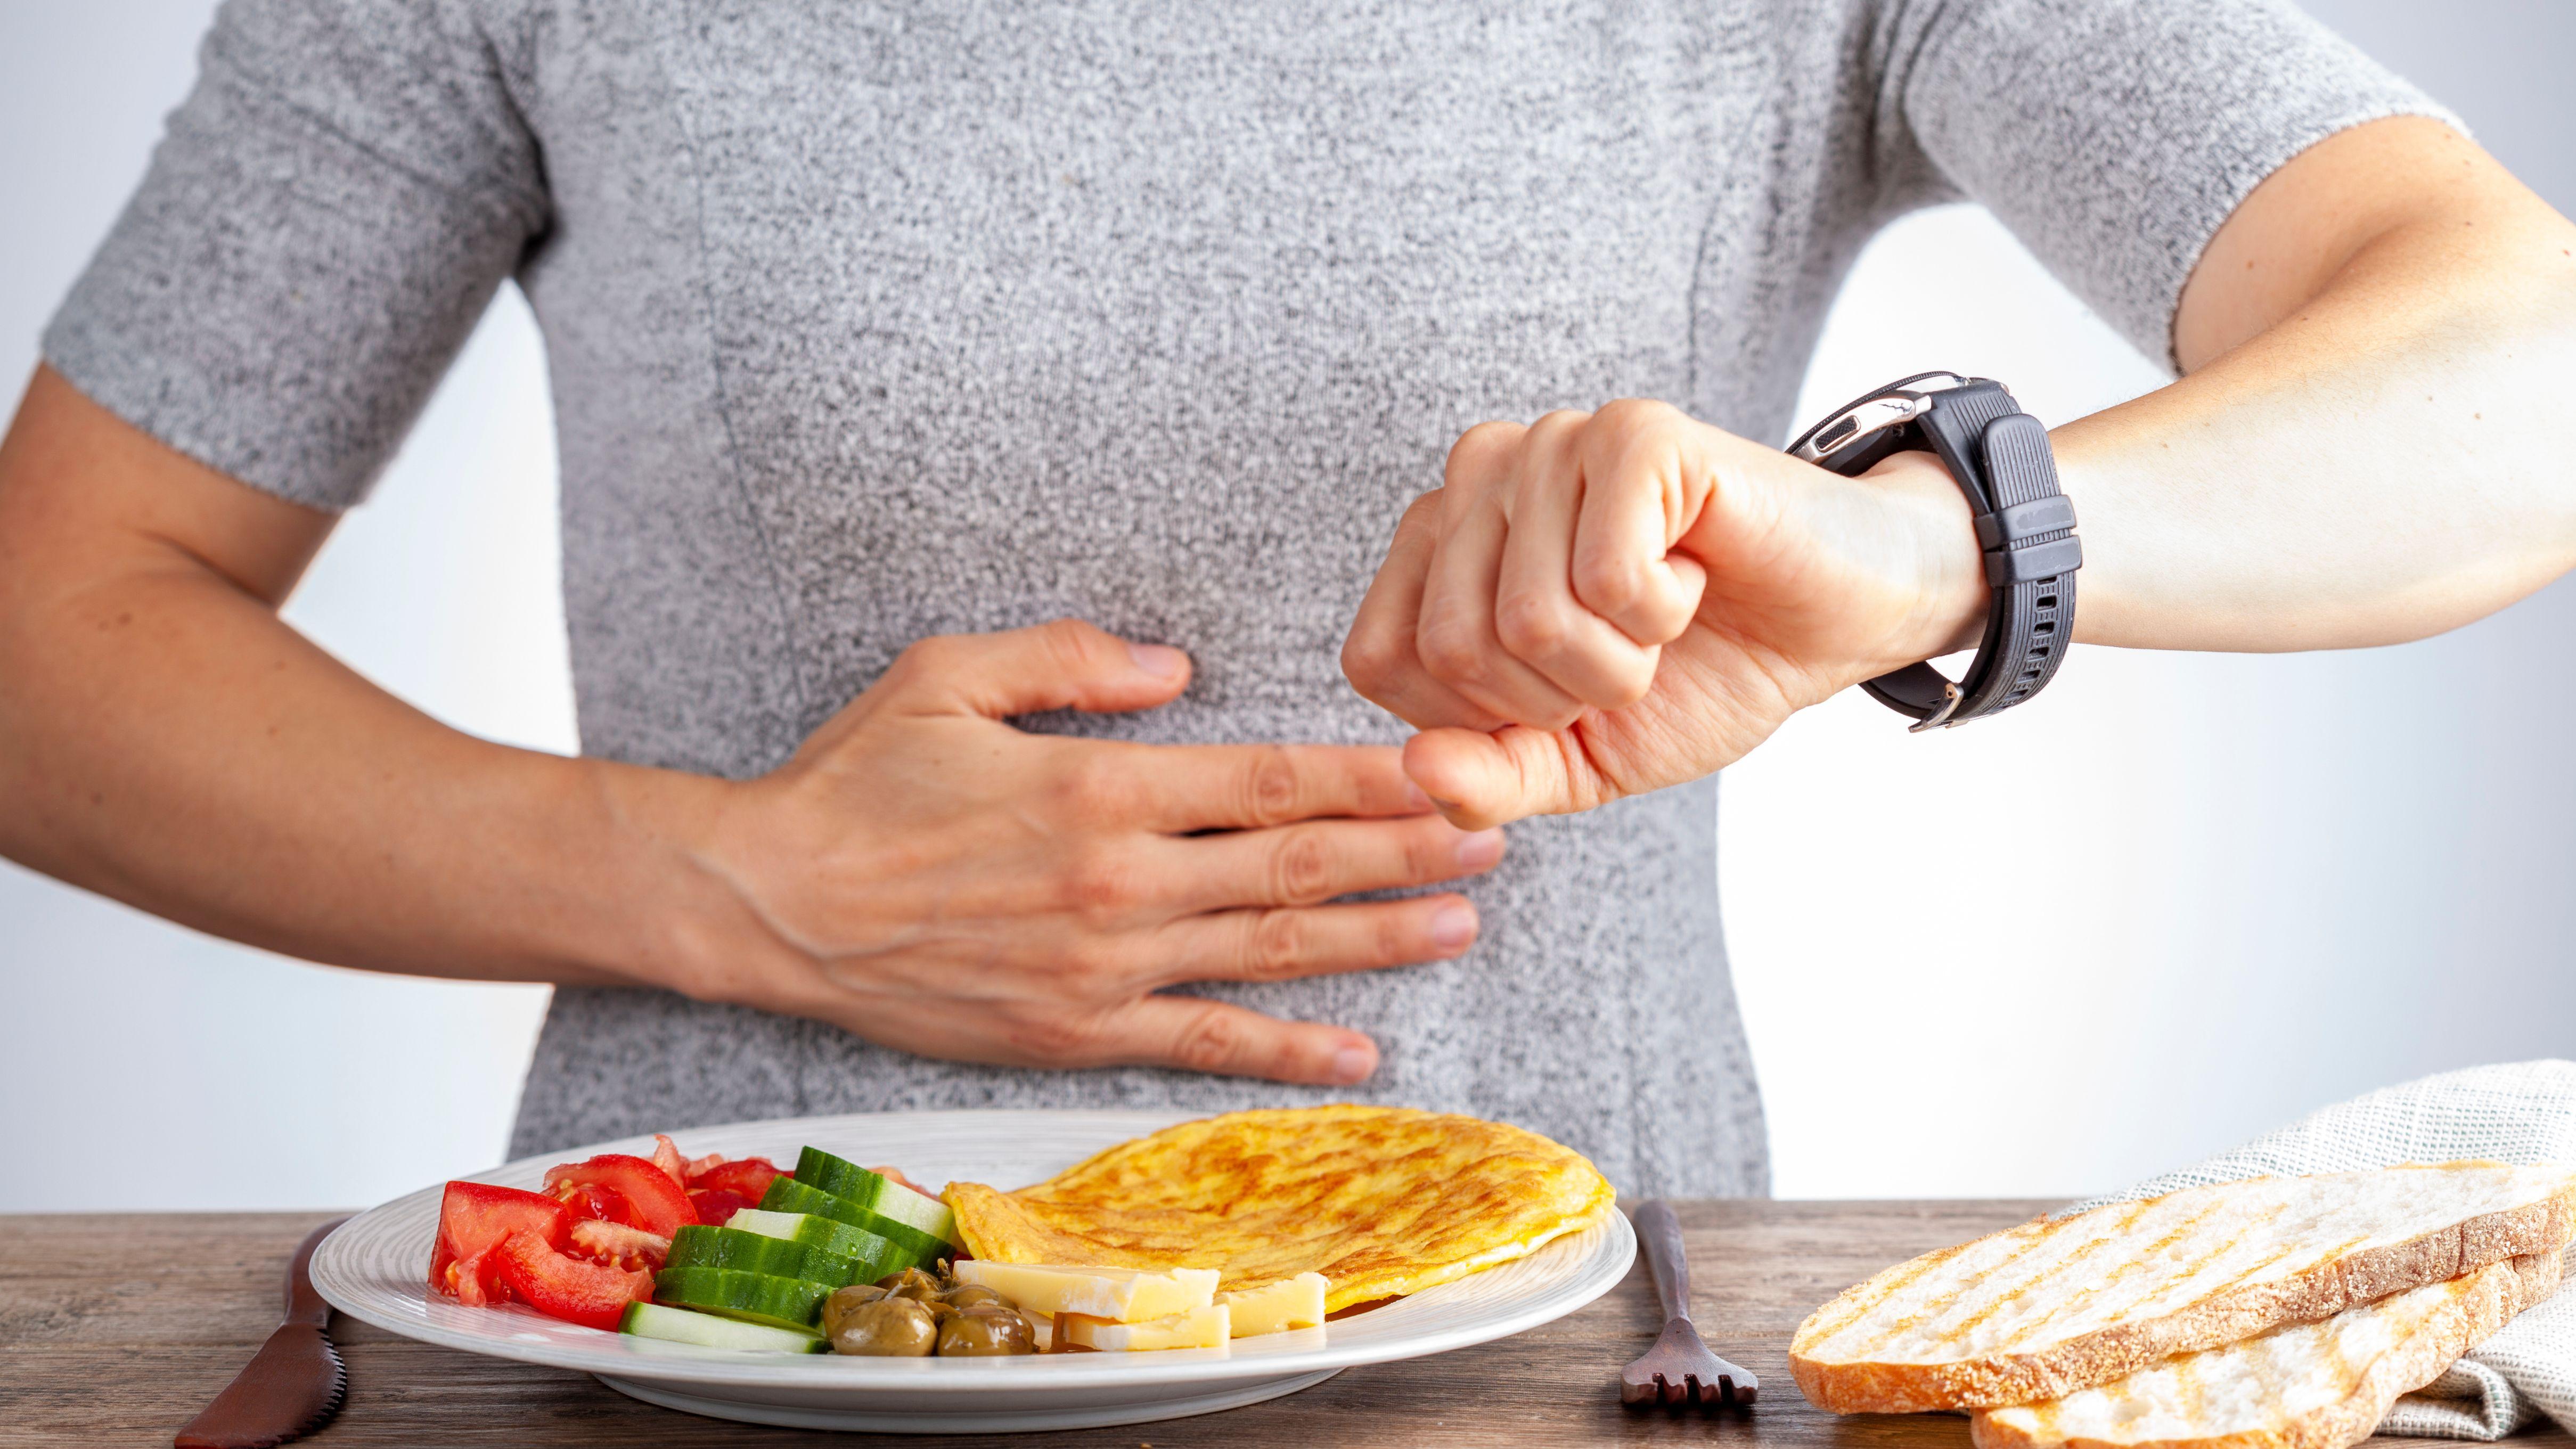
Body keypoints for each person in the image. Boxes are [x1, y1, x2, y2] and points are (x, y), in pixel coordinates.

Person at [1, 0, 2569, 1198]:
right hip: (708, 1334)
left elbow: (2513, 366)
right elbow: (51, 639)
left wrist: (1925, 541)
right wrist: (729, 881)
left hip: (1557, 1359)